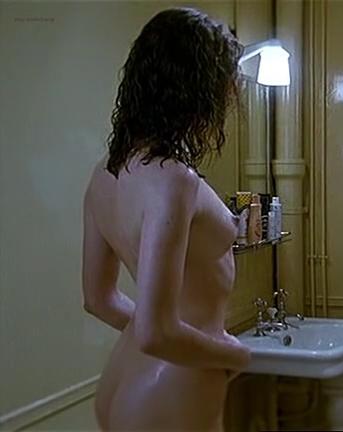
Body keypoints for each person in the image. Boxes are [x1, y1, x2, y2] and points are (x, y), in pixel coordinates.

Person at [81, 8, 250, 430]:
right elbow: (158, 331)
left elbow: (99, 300)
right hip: (175, 383)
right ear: (198, 87)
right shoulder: (175, 180)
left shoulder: (105, 173)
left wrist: (150, 333)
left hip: (128, 375)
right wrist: (232, 354)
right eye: (224, 82)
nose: (230, 94)